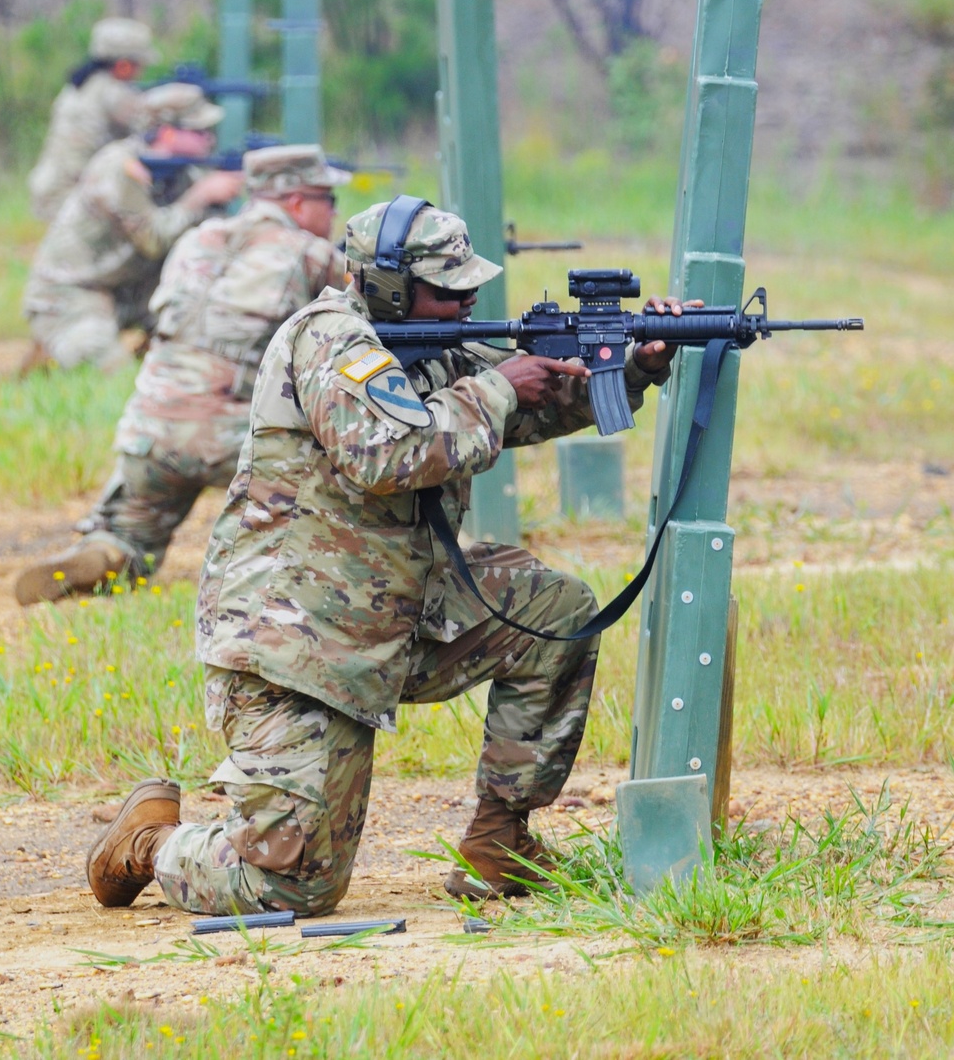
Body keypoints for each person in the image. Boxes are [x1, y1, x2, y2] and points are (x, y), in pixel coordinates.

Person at [87, 198, 688, 914]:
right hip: (296, 645)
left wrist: (634, 366)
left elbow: (532, 402)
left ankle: (501, 841)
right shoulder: (330, 342)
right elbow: (390, 453)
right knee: (289, 884)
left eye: (469, 286)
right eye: (447, 289)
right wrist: (498, 386)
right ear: (391, 288)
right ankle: (156, 842)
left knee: (551, 610)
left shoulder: (435, 342)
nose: (467, 300)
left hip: (397, 612)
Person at [14, 145, 350, 606]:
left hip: (151, 428)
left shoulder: (198, 238)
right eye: (328, 201)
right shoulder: (311, 255)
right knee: (346, 484)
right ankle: (294, 565)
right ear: (296, 203)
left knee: (130, 536)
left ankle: (105, 551)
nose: (334, 213)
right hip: (235, 440)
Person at [21, 83, 243, 374]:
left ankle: (151, 349)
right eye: (198, 131)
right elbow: (152, 239)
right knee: (108, 370)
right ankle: (52, 347)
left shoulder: (184, 173)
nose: (209, 139)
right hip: (72, 289)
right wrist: (200, 197)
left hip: (130, 287)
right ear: (167, 133)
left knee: (199, 337)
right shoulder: (119, 168)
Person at [28, 18, 158, 223]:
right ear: (123, 65)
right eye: (138, 65)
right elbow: (148, 129)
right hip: (71, 195)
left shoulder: (80, 86)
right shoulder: (112, 93)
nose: (140, 72)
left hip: (50, 188)